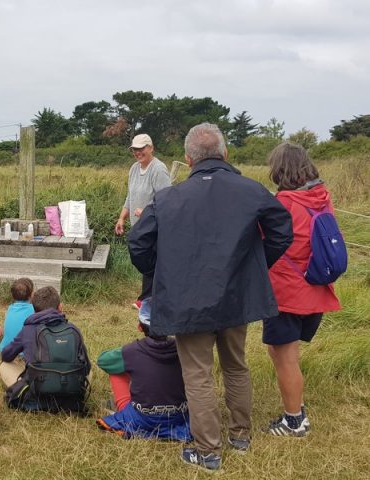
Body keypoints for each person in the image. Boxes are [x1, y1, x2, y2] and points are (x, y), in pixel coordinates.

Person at [128, 123, 293, 471]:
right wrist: (255, 266)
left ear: (188, 159)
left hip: (188, 300)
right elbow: (282, 229)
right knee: (236, 364)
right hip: (236, 296)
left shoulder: (169, 197)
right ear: (225, 154)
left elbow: (138, 242)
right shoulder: (252, 191)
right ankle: (240, 435)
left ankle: (208, 451)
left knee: (198, 373)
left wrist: (160, 275)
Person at [264, 143, 342, 436]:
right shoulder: (322, 197)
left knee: (284, 358)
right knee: (287, 353)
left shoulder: (283, 203)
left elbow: (262, 238)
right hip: (317, 289)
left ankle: (294, 421)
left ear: (280, 169)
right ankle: (296, 406)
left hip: (287, 292)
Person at [95, 298, 192, 442]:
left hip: (143, 419)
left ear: (140, 327)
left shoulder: (131, 351)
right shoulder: (184, 349)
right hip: (179, 417)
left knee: (117, 370)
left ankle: (123, 408)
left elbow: (103, 361)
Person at [0, 286, 91, 413]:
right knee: (89, 372)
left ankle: (34, 398)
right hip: (70, 392)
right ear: (60, 307)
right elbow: (87, 367)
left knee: (4, 365)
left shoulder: (28, 329)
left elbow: (6, 355)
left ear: (33, 310)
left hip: (37, 392)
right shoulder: (73, 329)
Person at [114, 133, 171, 309]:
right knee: (144, 259)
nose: (138, 153)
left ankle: (146, 299)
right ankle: (150, 298)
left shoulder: (158, 169)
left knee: (150, 261)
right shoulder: (134, 168)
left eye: (141, 149)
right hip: (139, 226)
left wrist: (146, 211)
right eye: (135, 150)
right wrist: (122, 217)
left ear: (151, 148)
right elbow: (130, 196)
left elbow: (166, 200)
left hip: (155, 225)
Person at [0, 277, 34, 353]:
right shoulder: (34, 310)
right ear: (31, 294)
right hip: (26, 352)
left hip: (6, 350)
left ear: (12, 295)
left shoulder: (9, 309)